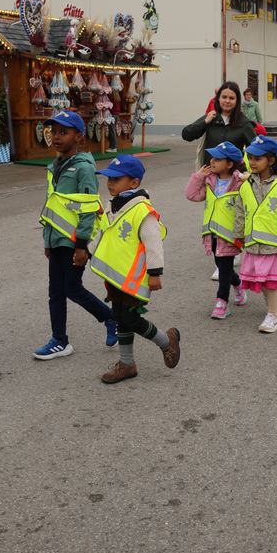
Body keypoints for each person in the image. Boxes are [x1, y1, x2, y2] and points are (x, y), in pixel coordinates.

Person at [90, 154, 181, 384]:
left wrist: (155, 273)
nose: (110, 183)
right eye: (108, 179)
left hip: (134, 278)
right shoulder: (112, 205)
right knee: (121, 318)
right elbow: (103, 234)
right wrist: (87, 251)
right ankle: (127, 364)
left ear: (134, 183)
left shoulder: (142, 210)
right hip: (115, 276)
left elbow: (153, 242)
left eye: (116, 179)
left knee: (128, 319)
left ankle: (165, 342)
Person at [35, 110, 117, 360]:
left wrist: (82, 246)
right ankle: (59, 340)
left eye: (64, 132)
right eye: (54, 132)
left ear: (79, 137)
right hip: (57, 240)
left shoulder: (83, 169)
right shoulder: (55, 167)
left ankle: (110, 318)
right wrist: (47, 240)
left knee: (72, 288)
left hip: (75, 242)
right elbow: (53, 206)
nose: (57, 137)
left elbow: (89, 208)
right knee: (55, 291)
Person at [234, 136, 277, 333]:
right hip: (253, 243)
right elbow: (240, 211)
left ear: (271, 160)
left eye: (257, 158)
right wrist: (238, 236)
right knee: (259, 280)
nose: (251, 162)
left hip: (274, 245)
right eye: (250, 158)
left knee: (271, 282)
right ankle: (272, 304)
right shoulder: (245, 186)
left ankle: (273, 315)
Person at [185, 141, 247, 319]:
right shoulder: (209, 180)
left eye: (218, 159)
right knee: (222, 266)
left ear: (229, 164)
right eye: (212, 158)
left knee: (225, 268)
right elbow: (191, 195)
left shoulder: (239, 183)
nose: (212, 161)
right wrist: (198, 177)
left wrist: (248, 178)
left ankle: (222, 302)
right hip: (211, 233)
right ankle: (238, 284)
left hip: (230, 235)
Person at [182, 81, 256, 167]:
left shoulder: (244, 123)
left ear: (237, 101)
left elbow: (256, 151)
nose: (227, 101)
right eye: (224, 97)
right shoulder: (211, 118)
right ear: (218, 98)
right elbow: (186, 135)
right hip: (210, 177)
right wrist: (204, 122)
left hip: (234, 177)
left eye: (231, 98)